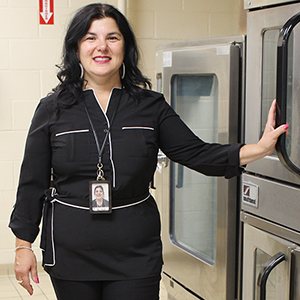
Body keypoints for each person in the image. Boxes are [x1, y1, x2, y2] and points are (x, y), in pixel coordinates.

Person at [8, 3, 289, 300]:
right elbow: (32, 182)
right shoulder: (52, 109)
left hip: (135, 250)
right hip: (71, 250)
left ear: (125, 46)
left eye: (112, 38)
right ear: (76, 47)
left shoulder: (150, 106)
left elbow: (197, 154)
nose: (101, 46)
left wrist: (259, 148)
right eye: (90, 38)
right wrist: (22, 246)